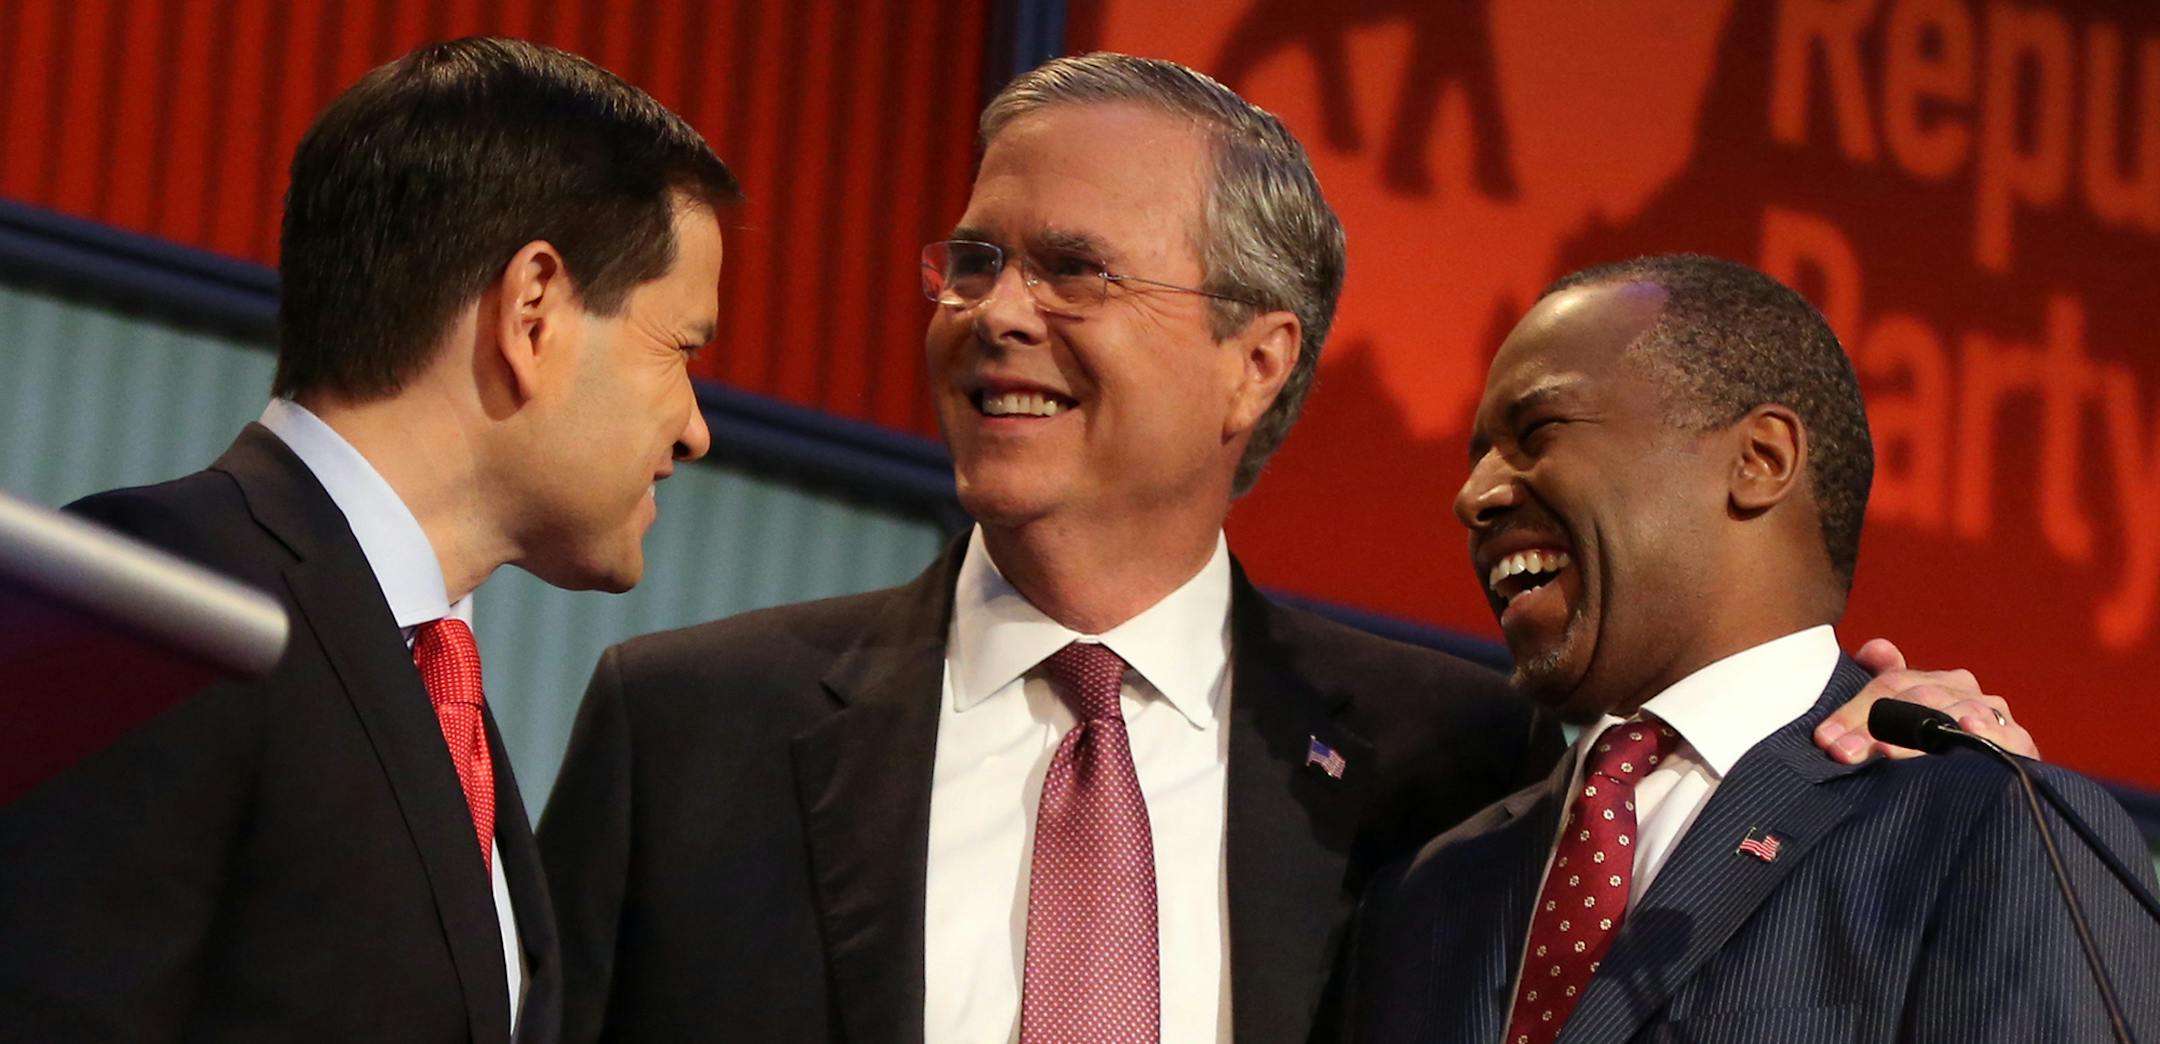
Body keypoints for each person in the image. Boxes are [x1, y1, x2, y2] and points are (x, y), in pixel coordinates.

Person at [537, 54, 2017, 1044]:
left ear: (1258, 358)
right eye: (973, 260)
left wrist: (1866, 740)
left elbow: (1715, 811)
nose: (991, 313)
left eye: (1072, 269)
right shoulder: (687, 730)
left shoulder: (1459, 776)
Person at [0, 37, 738, 1044]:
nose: (696, 427)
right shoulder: (161, 600)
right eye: (681, 348)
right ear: (531, 313)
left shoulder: (438, 688)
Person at [1350, 254, 2160, 1042]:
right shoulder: (1429, 891)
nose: (1475, 495)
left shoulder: (1991, 826)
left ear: (1760, 460)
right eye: (1478, 456)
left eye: (1539, 430)